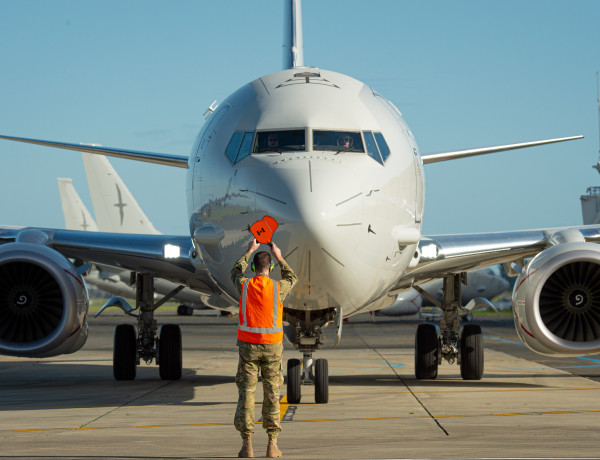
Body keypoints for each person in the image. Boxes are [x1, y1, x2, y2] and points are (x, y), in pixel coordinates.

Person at [231, 238, 298, 458]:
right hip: (272, 349)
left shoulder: (244, 285)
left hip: (248, 349)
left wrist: (249, 250)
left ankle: (247, 445)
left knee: (247, 395)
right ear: (270, 268)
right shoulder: (278, 287)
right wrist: (279, 256)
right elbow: (292, 276)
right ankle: (272, 444)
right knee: (272, 395)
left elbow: (235, 271)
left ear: (253, 268)